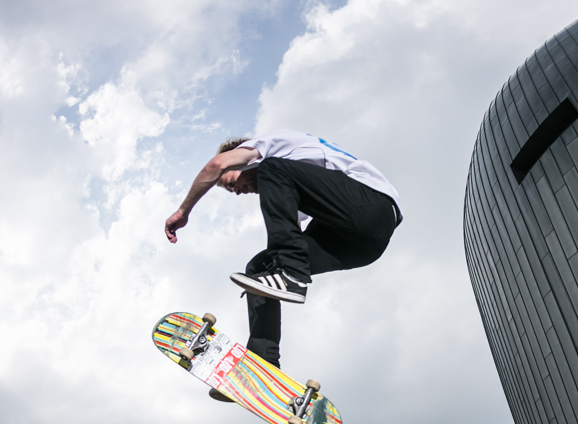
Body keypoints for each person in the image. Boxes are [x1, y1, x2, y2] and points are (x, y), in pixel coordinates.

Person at [165, 130, 402, 400]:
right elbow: (288, 234)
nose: (238, 192)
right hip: (361, 246)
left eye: (232, 184)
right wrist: (264, 281)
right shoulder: (295, 186)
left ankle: (292, 274)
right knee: (259, 267)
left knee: (272, 168)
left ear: (240, 160)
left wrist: (183, 211)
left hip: (373, 207)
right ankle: (261, 368)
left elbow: (215, 165)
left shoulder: (269, 149)